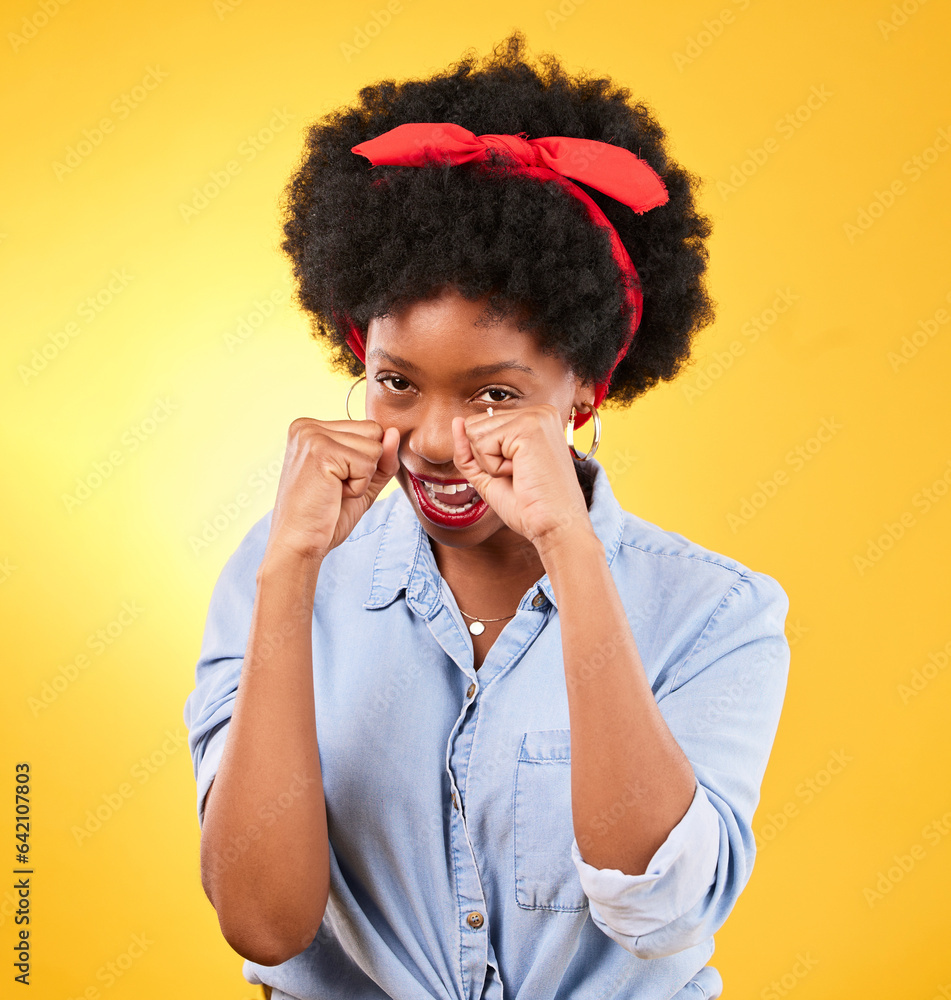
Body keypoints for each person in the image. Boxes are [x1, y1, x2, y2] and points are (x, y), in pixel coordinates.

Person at [183, 31, 790, 1000]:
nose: (431, 439)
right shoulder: (280, 573)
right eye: (396, 383)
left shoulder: (718, 614)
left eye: (495, 394)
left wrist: (572, 554)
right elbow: (262, 919)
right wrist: (289, 575)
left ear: (584, 388)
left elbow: (661, 912)